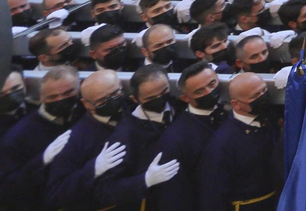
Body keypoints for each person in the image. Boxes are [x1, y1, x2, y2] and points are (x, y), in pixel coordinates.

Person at [93, 63, 181, 211]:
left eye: (164, 91)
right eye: (151, 97)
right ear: (135, 99)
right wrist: (145, 180)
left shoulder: (178, 108)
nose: (160, 98)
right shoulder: (124, 136)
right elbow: (105, 191)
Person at [199, 72, 282, 211]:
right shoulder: (223, 143)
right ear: (236, 104)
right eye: (255, 96)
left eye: (264, 90)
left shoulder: (269, 119)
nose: (263, 97)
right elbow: (214, 194)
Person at [44, 69, 124, 211]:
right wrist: (94, 168)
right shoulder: (75, 139)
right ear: (86, 103)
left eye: (115, 94)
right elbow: (55, 194)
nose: (112, 101)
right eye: (102, 100)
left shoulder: (130, 112)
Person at [149, 62, 222, 211]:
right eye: (199, 91)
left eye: (212, 84)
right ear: (185, 98)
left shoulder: (226, 114)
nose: (209, 92)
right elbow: (175, 196)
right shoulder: (176, 138)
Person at [0, 65, 78, 204]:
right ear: (42, 97)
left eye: (68, 93)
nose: (61, 100)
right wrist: (42, 160)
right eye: (53, 96)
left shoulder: (81, 112)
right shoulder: (16, 137)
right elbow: (8, 188)